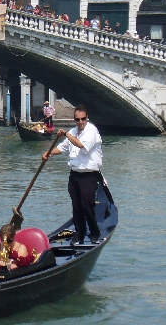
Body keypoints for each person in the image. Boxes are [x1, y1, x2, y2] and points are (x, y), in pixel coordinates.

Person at [43, 104, 103, 243]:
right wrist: (48, 153)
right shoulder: (73, 131)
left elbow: (80, 144)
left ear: (87, 118)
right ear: (74, 120)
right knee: (76, 206)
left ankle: (94, 232)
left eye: (83, 119)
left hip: (89, 175)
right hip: (75, 174)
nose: (80, 122)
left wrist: (66, 134)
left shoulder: (91, 131)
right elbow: (61, 148)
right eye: (77, 119)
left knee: (87, 206)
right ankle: (79, 234)